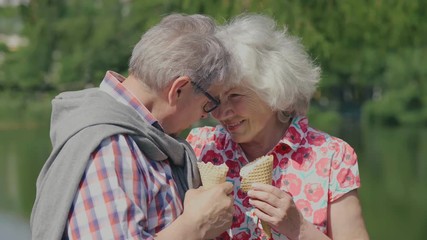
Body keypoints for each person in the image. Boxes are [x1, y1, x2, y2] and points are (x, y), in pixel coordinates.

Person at [31, 13, 237, 240]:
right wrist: (195, 226)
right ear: (178, 89)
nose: (208, 115)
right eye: (209, 104)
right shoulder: (110, 147)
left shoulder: (141, 137)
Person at [186, 14, 370, 240]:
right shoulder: (201, 147)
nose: (221, 112)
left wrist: (299, 228)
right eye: (215, 99)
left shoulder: (332, 156)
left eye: (234, 96)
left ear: (273, 89)